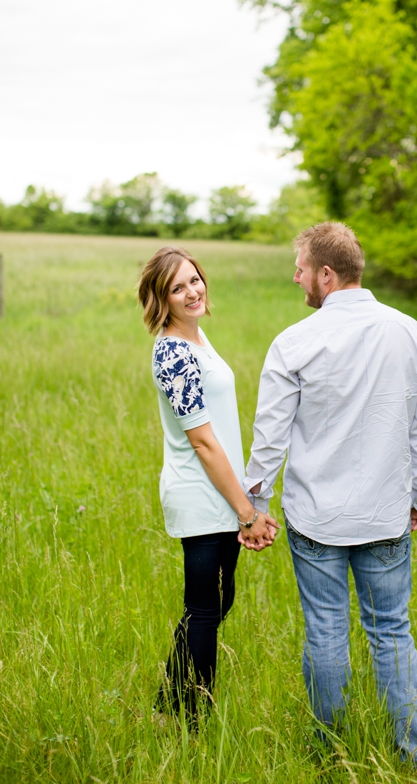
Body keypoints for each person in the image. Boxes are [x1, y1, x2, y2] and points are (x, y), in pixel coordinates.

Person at [242, 222, 417, 770]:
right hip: (385, 514)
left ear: (326, 275)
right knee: (391, 631)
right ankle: (412, 759)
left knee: (326, 630)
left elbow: (270, 437)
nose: (297, 278)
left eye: (301, 268)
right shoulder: (410, 332)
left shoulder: (294, 342)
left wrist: (254, 504)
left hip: (316, 518)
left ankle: (329, 757)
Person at [136, 246, 278, 729]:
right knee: (204, 609)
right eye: (178, 288)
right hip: (201, 496)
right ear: (162, 299)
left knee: (215, 604)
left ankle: (166, 707)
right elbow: (201, 440)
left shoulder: (197, 337)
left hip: (223, 495)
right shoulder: (173, 352)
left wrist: (246, 502)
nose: (192, 291)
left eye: (194, 280)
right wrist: (248, 512)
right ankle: (192, 723)